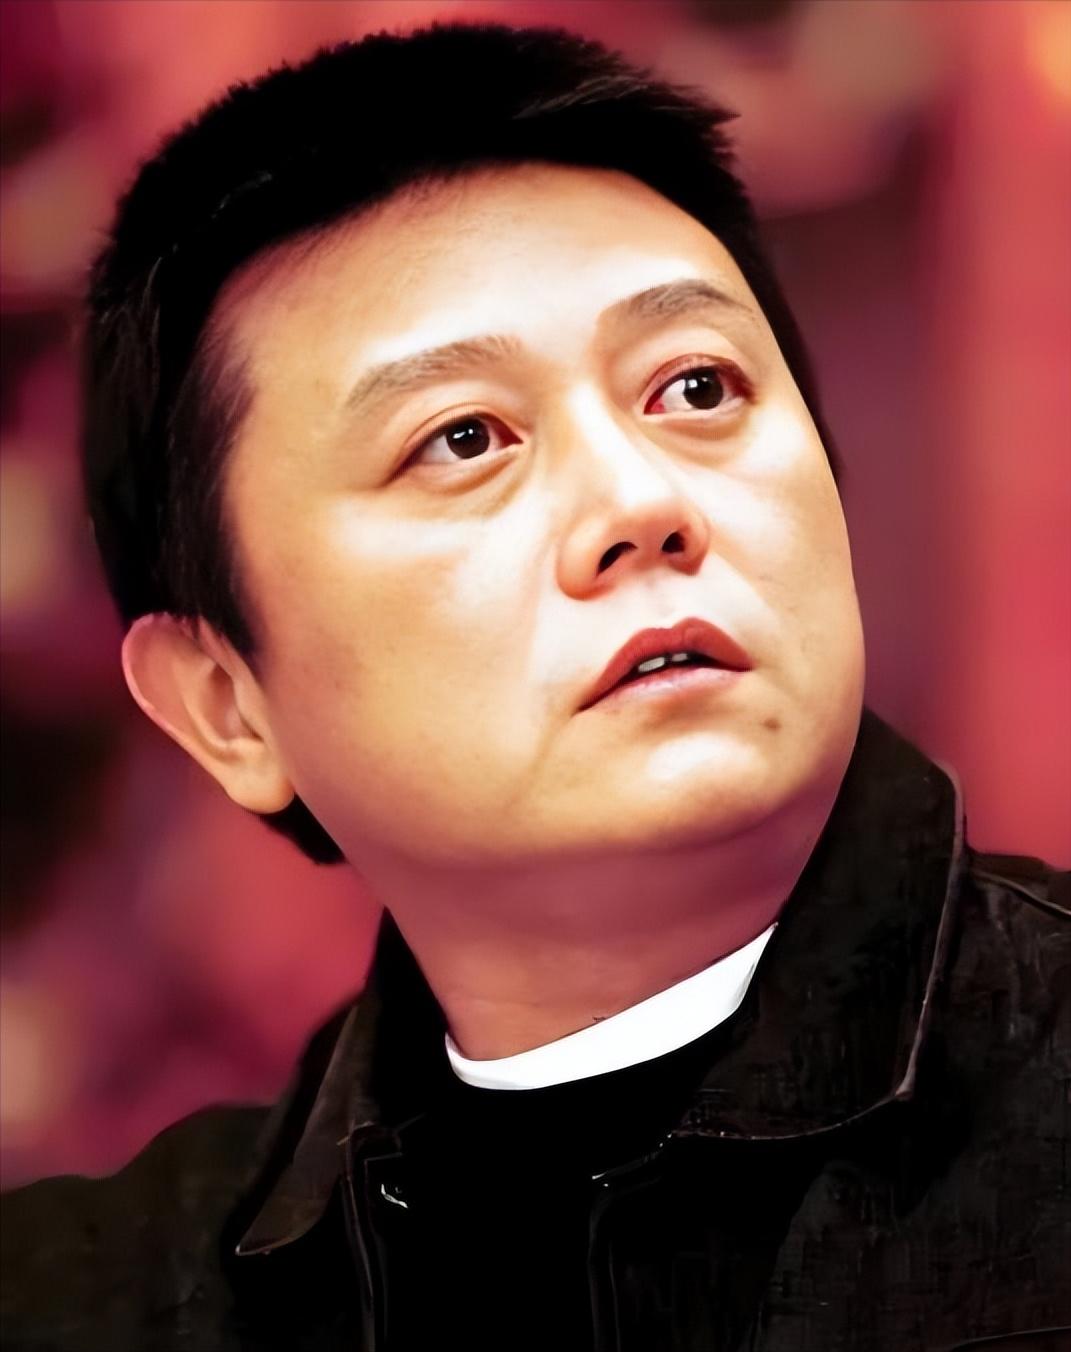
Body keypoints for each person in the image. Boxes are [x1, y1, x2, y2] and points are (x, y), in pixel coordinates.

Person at [1, 21, 1067, 1352]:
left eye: (697, 386)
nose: (641, 503)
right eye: (463, 439)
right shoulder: (95, 1299)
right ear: (226, 706)